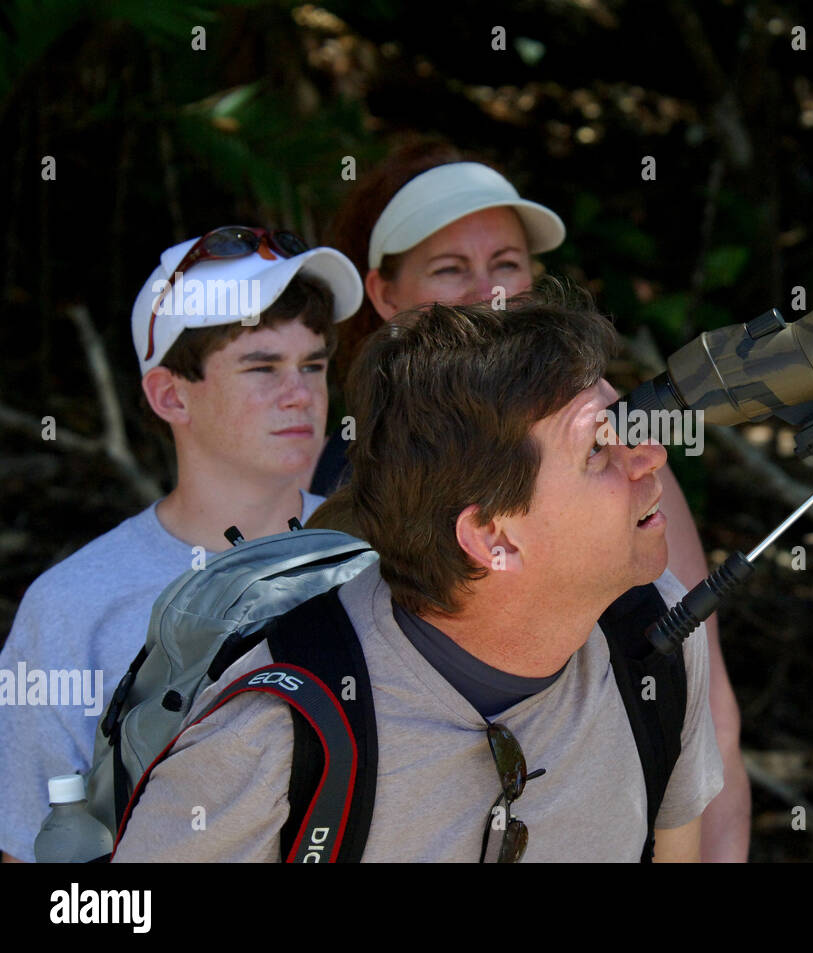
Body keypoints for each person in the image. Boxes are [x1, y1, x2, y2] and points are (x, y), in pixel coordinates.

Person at [113, 292, 723, 862]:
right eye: (597, 448)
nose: (651, 456)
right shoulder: (271, 737)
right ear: (493, 538)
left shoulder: (651, 641)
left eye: (624, 426)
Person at [308, 142, 749, 861]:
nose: (492, 292)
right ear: (383, 294)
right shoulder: (320, 486)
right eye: (451, 270)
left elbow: (710, 727)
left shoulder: (629, 471)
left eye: (508, 263)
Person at [0, 227, 363, 862]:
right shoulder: (72, 605)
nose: (301, 394)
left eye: (312, 365)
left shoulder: (377, 555)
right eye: (262, 367)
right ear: (171, 395)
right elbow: (34, 856)